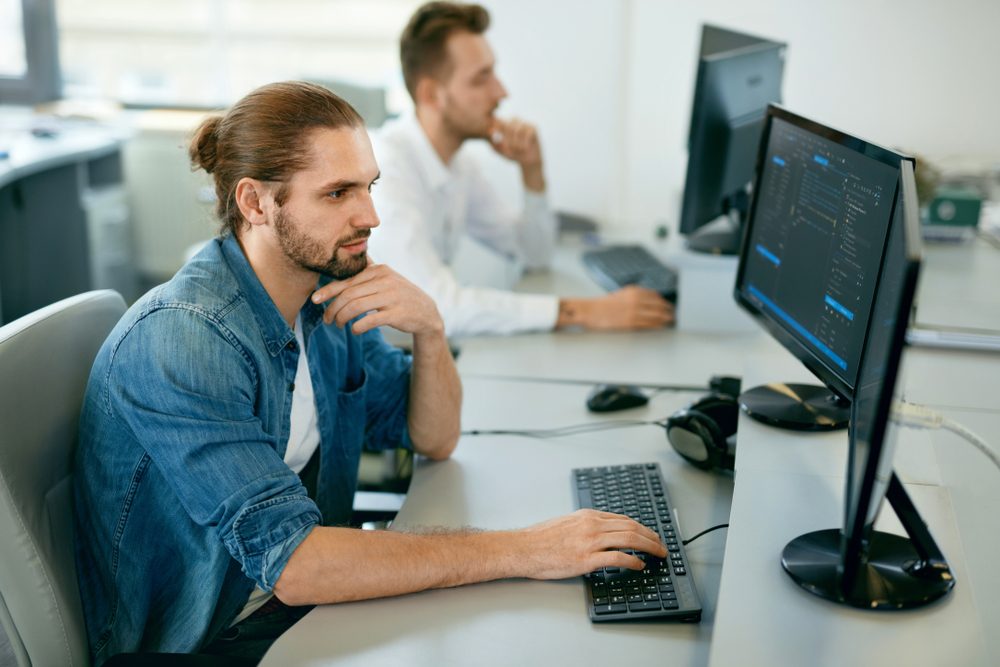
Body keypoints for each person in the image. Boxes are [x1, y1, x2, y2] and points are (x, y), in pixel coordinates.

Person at [72, 81, 666, 664]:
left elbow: (433, 436)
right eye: (338, 194)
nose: (371, 216)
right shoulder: (187, 340)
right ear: (255, 204)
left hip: (300, 608)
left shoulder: (327, 294)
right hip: (215, 640)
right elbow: (297, 565)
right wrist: (528, 549)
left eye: (369, 186)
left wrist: (429, 331)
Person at [369, 1, 674, 337]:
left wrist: (532, 172)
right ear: (431, 94)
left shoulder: (459, 165)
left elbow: (533, 254)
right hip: (384, 360)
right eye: (481, 78)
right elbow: (435, 307)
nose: (501, 92)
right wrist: (586, 311)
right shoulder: (385, 174)